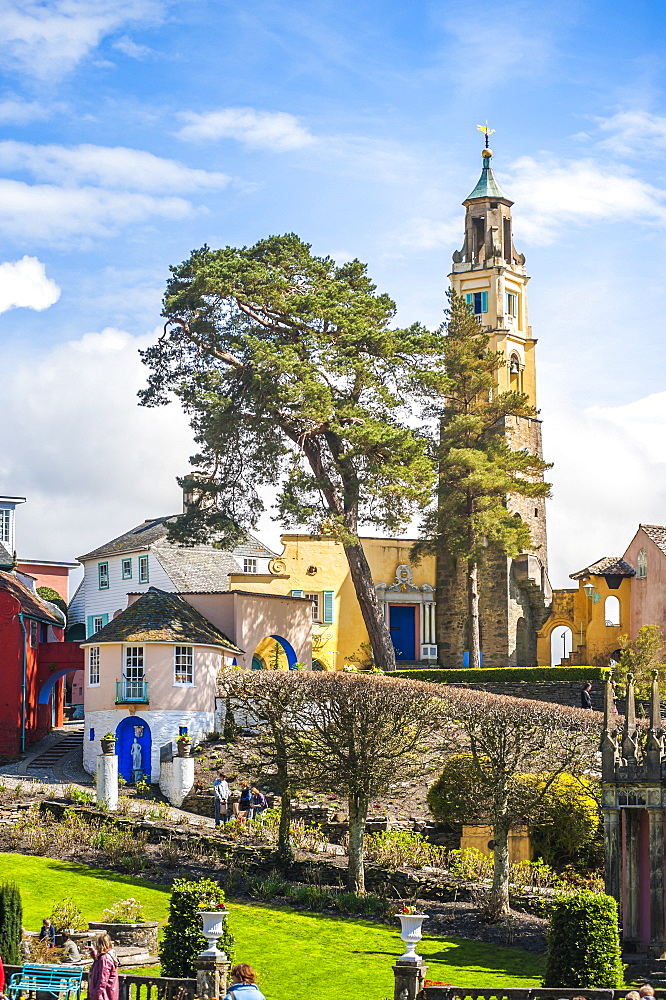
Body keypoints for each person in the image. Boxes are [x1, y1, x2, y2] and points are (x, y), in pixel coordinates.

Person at [88, 933, 119, 1000]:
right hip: (107, 993)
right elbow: (98, 960)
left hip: (104, 995)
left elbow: (102, 980)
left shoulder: (105, 959)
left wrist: (95, 995)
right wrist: (93, 951)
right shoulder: (108, 955)